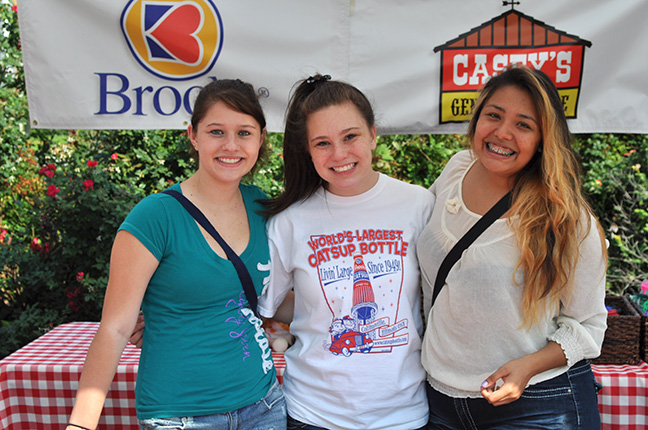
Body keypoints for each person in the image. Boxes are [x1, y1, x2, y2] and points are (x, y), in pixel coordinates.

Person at [66, 79, 285, 430]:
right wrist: (80, 426)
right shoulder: (154, 217)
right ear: (193, 136)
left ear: (260, 139)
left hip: (264, 405)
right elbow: (115, 329)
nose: (231, 145)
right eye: (216, 131)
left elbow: (266, 297)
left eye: (244, 133)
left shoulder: (261, 206)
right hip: (180, 417)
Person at [418, 66, 608, 429]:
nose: (502, 133)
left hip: (536, 402)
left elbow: (589, 326)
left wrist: (527, 367)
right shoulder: (456, 170)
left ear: (542, 139)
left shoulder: (566, 217)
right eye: (494, 115)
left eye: (524, 124)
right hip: (439, 400)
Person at [258, 74, 434, 430]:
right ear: (307, 151)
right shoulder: (290, 221)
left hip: (403, 414)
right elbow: (267, 303)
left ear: (372, 133)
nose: (339, 154)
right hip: (312, 413)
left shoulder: (418, 203)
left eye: (350, 136)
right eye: (322, 143)